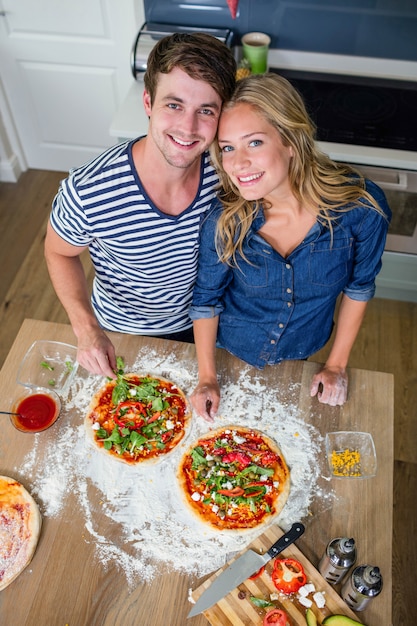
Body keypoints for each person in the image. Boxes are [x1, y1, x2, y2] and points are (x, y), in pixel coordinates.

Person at [189, 73, 391, 420]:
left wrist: (337, 366)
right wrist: (207, 377)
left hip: (306, 350)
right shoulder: (225, 221)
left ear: (290, 142)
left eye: (254, 143)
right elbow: (206, 300)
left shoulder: (362, 210)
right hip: (232, 352)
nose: (237, 163)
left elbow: (359, 288)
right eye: (227, 148)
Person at [44, 33, 236, 378]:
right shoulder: (89, 190)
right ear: (148, 102)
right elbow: (59, 252)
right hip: (121, 333)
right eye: (173, 105)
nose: (188, 128)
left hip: (208, 325)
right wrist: (86, 328)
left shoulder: (230, 176)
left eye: (205, 111)